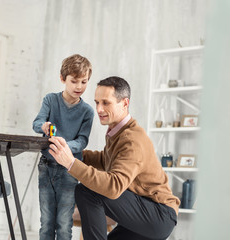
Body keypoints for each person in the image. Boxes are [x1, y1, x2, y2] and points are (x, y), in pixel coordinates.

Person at [48, 76, 180, 240]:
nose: (99, 109)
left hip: (158, 214)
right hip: (145, 210)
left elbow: (114, 186)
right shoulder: (118, 131)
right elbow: (105, 160)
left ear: (124, 103)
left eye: (106, 103)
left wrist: (70, 163)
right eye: (97, 102)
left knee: (87, 191)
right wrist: (69, 151)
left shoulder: (131, 140)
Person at [32, 54, 94, 240]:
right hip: (46, 167)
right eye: (74, 81)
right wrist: (44, 126)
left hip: (69, 170)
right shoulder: (51, 100)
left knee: (64, 224)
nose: (79, 87)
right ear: (63, 79)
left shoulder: (87, 111)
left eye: (84, 82)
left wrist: (65, 145)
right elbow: (37, 123)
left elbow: (82, 141)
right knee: (46, 222)